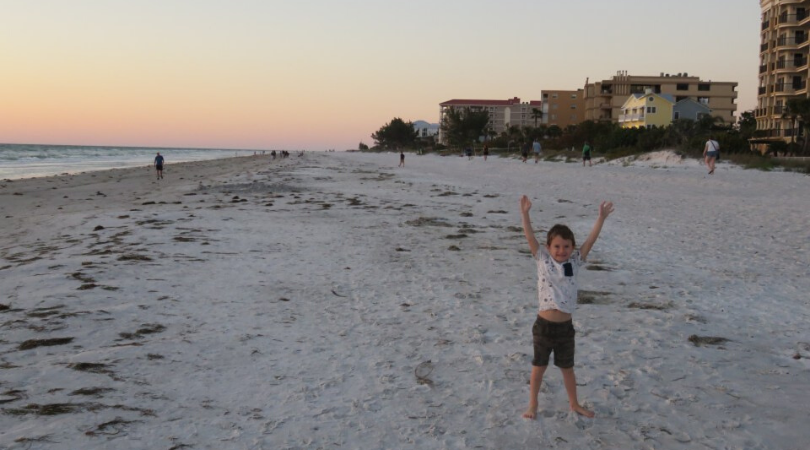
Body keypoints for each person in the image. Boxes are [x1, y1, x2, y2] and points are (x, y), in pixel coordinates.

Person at [519, 195, 614, 420]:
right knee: (538, 367)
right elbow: (530, 237)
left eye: (566, 246)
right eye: (557, 246)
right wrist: (525, 214)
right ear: (548, 247)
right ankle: (532, 404)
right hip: (543, 326)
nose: (562, 250)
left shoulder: (575, 262)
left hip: (565, 329)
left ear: (572, 247)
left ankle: (574, 404)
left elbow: (590, 241)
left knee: (568, 368)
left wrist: (600, 218)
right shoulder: (543, 259)